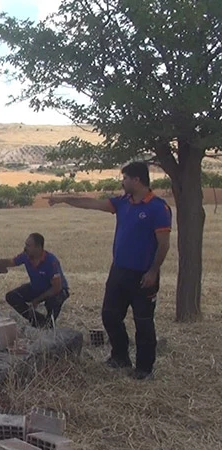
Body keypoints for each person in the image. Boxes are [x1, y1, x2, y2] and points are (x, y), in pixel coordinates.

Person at [48, 161, 172, 380]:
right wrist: (64, 199)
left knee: (143, 323)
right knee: (110, 315)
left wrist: (153, 272)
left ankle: (144, 369)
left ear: (137, 180)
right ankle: (120, 357)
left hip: (144, 275)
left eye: (124, 178)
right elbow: (92, 204)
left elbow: (163, 245)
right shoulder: (122, 203)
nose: (122, 182)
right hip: (119, 272)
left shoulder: (158, 208)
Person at [0, 232, 70, 329]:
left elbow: (56, 288)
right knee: (11, 297)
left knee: (53, 301)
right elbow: (9, 262)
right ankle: (40, 322)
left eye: (28, 246)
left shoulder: (51, 262)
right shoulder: (25, 256)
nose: (25, 248)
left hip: (56, 290)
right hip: (37, 287)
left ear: (38, 247)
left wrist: (37, 300)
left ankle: (50, 323)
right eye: (25, 244)